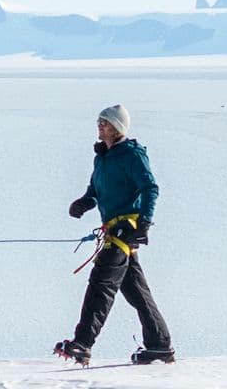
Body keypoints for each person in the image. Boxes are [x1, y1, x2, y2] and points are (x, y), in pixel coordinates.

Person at [54, 103, 174, 366]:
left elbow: (150, 187)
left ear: (117, 127)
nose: (100, 125)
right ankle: (160, 345)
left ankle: (82, 343)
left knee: (101, 284)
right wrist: (84, 202)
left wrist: (145, 222)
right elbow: (95, 191)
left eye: (105, 122)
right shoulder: (102, 157)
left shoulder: (132, 155)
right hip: (112, 229)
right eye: (99, 121)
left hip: (125, 230)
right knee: (136, 292)